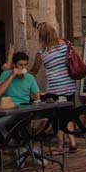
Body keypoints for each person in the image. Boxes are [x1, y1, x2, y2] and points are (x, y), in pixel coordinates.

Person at [35, 20, 77, 151]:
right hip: (69, 87)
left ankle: (60, 146)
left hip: (54, 90)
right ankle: (72, 142)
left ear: (42, 36)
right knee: (67, 114)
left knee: (57, 118)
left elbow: (34, 70)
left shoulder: (42, 53)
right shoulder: (66, 45)